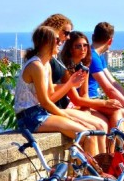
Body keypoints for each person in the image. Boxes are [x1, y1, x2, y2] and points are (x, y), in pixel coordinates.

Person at [14, 25, 99, 156]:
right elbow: (45, 102)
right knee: (86, 135)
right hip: (30, 117)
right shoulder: (36, 66)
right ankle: (92, 169)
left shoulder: (46, 64)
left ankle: (88, 168)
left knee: (90, 130)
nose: (61, 43)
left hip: (38, 113)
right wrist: (67, 116)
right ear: (47, 43)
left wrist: (70, 84)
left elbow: (50, 91)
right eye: (57, 40)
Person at [60, 31, 124, 144]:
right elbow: (76, 99)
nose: (83, 49)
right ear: (70, 49)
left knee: (115, 110)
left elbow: (84, 94)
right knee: (102, 125)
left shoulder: (83, 67)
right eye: (78, 46)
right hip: (68, 107)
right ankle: (105, 154)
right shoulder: (66, 70)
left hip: (81, 105)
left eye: (85, 45)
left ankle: (118, 150)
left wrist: (87, 109)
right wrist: (104, 103)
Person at [89, 22, 124, 144]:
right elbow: (109, 89)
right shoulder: (93, 57)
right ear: (110, 41)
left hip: (95, 101)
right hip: (91, 101)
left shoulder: (98, 56)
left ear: (93, 36)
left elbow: (114, 83)